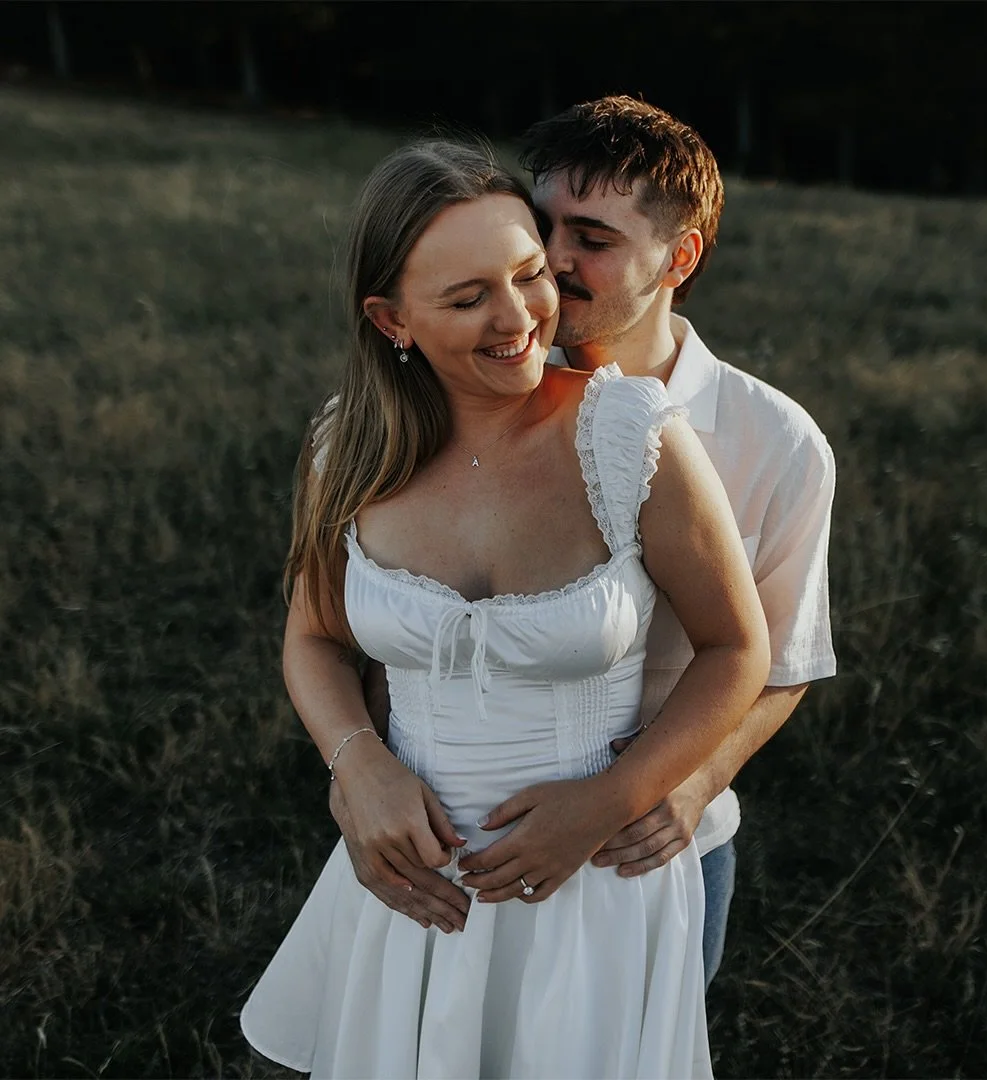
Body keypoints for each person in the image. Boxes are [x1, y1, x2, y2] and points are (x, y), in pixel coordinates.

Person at [240, 138, 770, 1078]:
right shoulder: (347, 449)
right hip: (412, 877)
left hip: (593, 883)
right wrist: (357, 763)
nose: (522, 315)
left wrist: (612, 799)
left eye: (529, 274)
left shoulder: (628, 432)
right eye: (467, 296)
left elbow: (738, 650)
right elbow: (315, 639)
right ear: (390, 318)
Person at [337, 97, 838, 988]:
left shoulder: (774, 442)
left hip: (647, 844)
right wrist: (356, 769)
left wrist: (672, 788)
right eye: (545, 227)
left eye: (594, 240)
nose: (552, 265)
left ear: (679, 257)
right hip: (440, 835)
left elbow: (778, 658)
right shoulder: (473, 387)